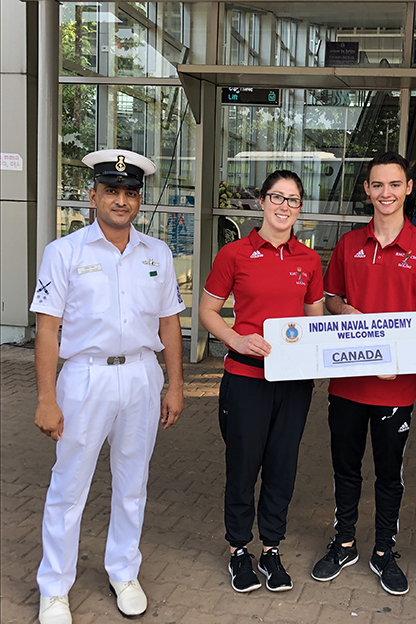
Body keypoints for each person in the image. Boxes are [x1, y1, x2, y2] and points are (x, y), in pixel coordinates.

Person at [31, 149, 185, 624]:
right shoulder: (65, 252)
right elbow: (48, 330)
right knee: (69, 486)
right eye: (112, 191)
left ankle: (123, 570)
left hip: (141, 375)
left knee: (132, 484)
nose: (122, 200)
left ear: (139, 200)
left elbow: (170, 325)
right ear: (93, 194)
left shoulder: (156, 252)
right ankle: (54, 588)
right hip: (85, 378)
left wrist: (175, 384)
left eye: (130, 193)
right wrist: (45, 398)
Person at [311, 152, 416, 595]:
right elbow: (330, 298)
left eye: (395, 184)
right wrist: (343, 307)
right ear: (368, 190)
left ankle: (383, 550)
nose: (385, 193)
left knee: (389, 474)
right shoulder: (349, 244)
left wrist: (405, 362)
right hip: (347, 383)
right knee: (345, 467)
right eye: (377, 185)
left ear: (408, 188)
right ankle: (345, 541)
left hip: (397, 387)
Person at [199, 170, 324, 594]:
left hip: (292, 384)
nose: (284, 206)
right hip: (245, 379)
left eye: (292, 199)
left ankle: (271, 549)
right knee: (242, 467)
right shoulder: (234, 254)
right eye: (277, 197)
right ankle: (239, 550)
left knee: (282, 468)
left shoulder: (309, 260)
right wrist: (236, 339)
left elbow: (316, 320)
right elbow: (208, 311)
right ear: (262, 201)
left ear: (300, 208)